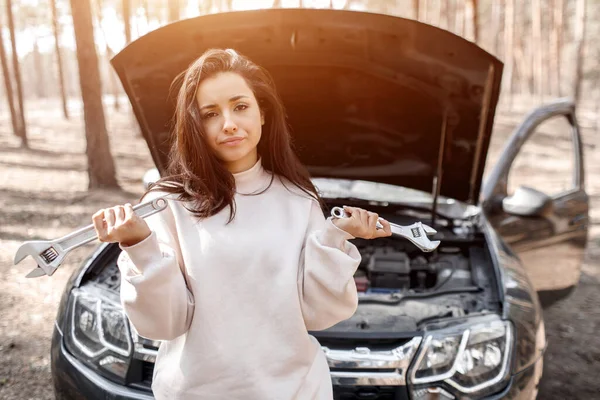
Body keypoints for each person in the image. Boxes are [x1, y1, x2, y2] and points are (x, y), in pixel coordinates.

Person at [91, 48, 392, 400]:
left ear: (262, 113)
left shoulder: (299, 199)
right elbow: (163, 324)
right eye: (210, 114)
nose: (229, 123)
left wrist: (336, 237)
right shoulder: (167, 204)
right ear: (195, 125)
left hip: (296, 391)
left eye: (240, 106)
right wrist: (139, 245)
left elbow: (319, 312)